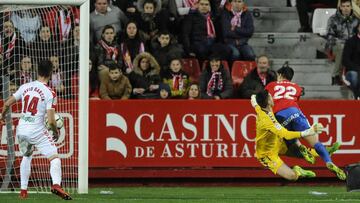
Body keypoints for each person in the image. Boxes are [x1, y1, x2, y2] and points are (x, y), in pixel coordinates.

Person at [0, 60, 71, 200]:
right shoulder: (50, 93)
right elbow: (51, 121)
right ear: (50, 73)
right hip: (37, 131)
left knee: (27, 156)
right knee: (54, 158)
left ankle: (23, 191)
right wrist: (55, 132)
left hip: (22, 129)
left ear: (37, 70)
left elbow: (7, 103)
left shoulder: (25, 86)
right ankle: (56, 184)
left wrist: (2, 116)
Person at [265, 65, 346, 180]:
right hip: (296, 112)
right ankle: (328, 161)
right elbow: (293, 100)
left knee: (288, 137)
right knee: (316, 142)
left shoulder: (271, 85)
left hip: (280, 115)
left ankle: (300, 146)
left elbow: (265, 100)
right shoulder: (297, 87)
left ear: (280, 75)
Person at [251, 90, 325, 181]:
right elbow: (286, 134)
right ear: (268, 102)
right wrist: (308, 132)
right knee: (292, 177)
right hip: (267, 154)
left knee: (305, 153)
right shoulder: (267, 122)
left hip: (278, 143)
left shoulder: (260, 107)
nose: (272, 98)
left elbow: (253, 99)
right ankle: (298, 171)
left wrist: (254, 98)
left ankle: (324, 151)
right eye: (270, 96)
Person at [326, 0, 359, 85]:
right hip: (336, 45)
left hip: (353, 45)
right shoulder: (333, 19)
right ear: (340, 7)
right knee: (341, 47)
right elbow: (330, 36)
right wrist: (341, 42)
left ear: (351, 7)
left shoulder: (356, 20)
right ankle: (336, 76)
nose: (345, 8)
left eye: (347, 6)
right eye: (343, 6)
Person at [342, 22, 360, 99]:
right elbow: (345, 60)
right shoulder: (350, 41)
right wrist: (357, 68)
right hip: (352, 70)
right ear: (358, 28)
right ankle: (357, 96)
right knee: (354, 76)